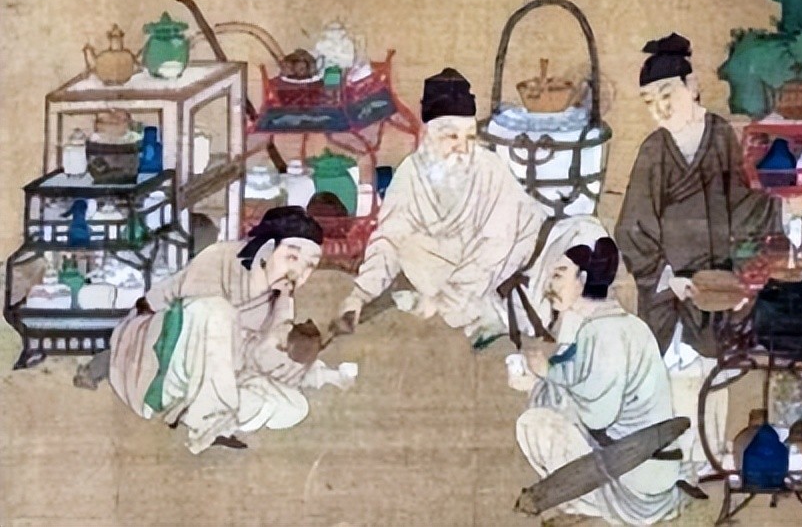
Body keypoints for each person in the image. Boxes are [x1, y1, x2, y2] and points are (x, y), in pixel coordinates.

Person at [614, 33, 782, 474]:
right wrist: (666, 276)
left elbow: (742, 203)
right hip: (670, 289)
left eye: (666, 94)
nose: (660, 108)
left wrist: (775, 207)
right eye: (649, 101)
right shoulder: (654, 150)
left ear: (692, 87)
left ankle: (708, 455)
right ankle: (680, 460)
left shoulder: (720, 135)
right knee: (679, 376)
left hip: (717, 282)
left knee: (714, 368)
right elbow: (632, 227)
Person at [106, 206, 354, 454]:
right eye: (292, 257)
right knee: (217, 312)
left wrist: (287, 338)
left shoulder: (279, 299)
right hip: (159, 356)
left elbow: (261, 357)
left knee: (294, 406)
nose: (298, 273)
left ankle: (196, 411)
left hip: (215, 378)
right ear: (267, 248)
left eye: (310, 266)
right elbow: (193, 318)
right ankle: (207, 419)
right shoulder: (222, 258)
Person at [332, 68, 547, 342]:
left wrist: (445, 300)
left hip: (513, 259)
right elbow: (389, 238)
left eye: (470, 137)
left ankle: (486, 312)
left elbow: (496, 247)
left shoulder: (489, 169)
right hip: (457, 261)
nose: (464, 149)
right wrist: (360, 294)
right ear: (428, 134)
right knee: (410, 248)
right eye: (452, 137)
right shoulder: (411, 173)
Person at [515, 237, 703, 526]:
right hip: (644, 464)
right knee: (551, 406)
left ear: (583, 280)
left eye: (559, 275)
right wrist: (547, 377)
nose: (549, 285)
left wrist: (548, 376)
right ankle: (586, 505)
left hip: (637, 474)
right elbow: (582, 381)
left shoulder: (606, 332)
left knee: (534, 424)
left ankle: (591, 507)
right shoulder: (611, 325)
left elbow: (600, 416)